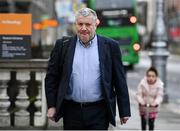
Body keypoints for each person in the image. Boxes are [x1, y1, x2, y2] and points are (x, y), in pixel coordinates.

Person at [45, 7, 131, 130]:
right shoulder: (63, 45)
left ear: (95, 25)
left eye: (88, 24)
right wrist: (52, 105)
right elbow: (51, 78)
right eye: (80, 24)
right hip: (71, 111)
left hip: (99, 112)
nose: (83, 28)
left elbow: (119, 80)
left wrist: (124, 111)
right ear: (76, 25)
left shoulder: (111, 46)